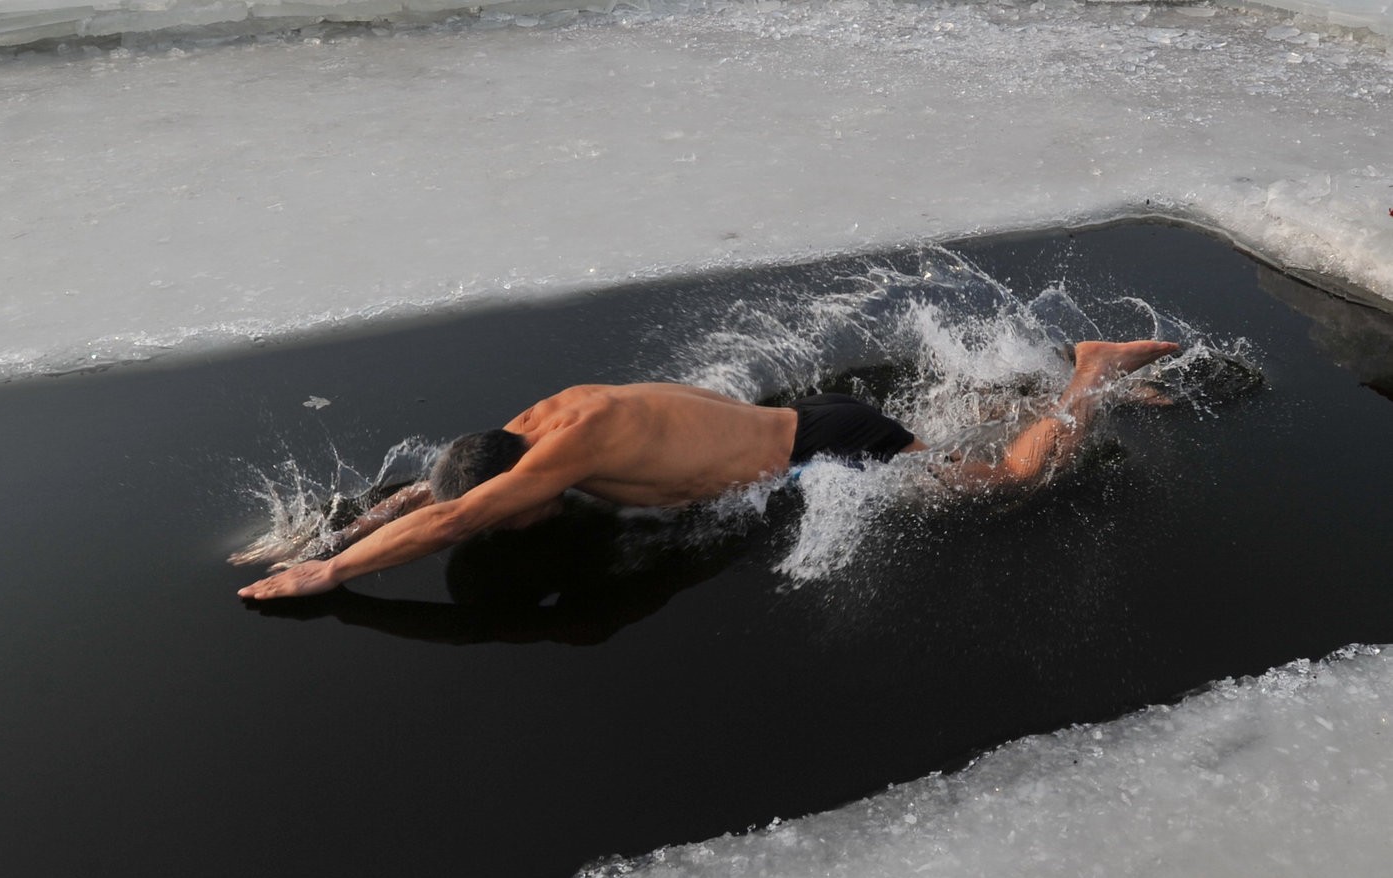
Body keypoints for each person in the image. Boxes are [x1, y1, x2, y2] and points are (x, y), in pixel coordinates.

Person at [237, 339, 1178, 600]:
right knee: (936, 435)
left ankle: (1090, 376)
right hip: (804, 418)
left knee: (1010, 488)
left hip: (822, 446)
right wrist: (339, 525)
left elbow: (449, 520)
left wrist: (330, 572)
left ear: (517, 485)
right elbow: (431, 495)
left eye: (504, 509)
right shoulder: (525, 427)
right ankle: (1021, 389)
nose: (504, 520)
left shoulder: (569, 449)